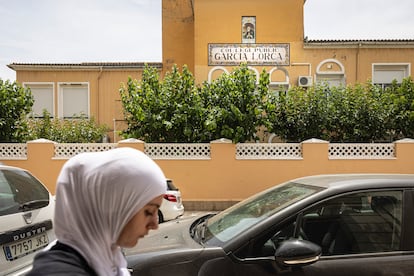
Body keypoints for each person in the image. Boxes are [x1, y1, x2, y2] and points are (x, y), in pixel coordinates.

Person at [28, 147, 167, 276]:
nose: (155, 224)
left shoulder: (108, 258)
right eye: (149, 211)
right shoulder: (57, 272)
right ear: (111, 206)